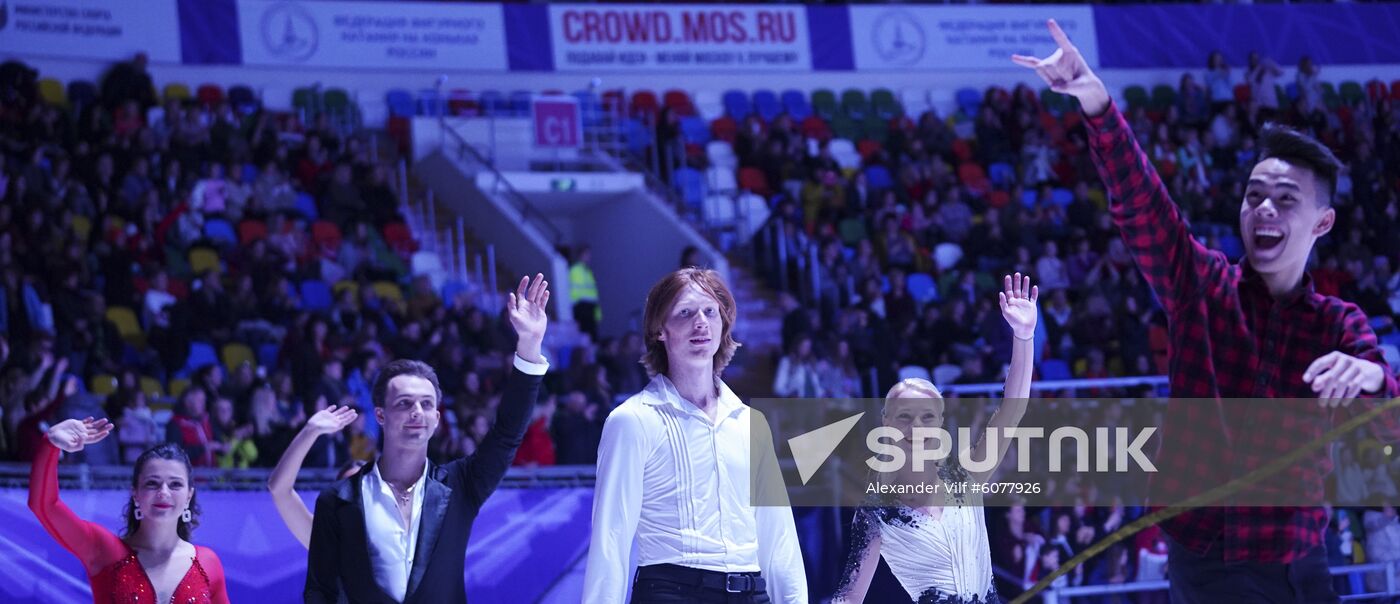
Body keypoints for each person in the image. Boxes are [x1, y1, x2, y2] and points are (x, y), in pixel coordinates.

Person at [1013, 20, 1400, 603]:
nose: (1263, 209)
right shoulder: (1201, 284)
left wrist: (1375, 378)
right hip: (1205, 564)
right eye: (1254, 195)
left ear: (1322, 223)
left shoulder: (1339, 326)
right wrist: (1097, 107)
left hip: (1299, 564)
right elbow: (1142, 206)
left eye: (1286, 200)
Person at [305, 274, 549, 604]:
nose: (417, 412)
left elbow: (507, 434)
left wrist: (529, 346)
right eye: (404, 403)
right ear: (380, 415)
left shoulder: (462, 485)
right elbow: (320, 593)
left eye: (426, 404)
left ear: (436, 419)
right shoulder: (337, 499)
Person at [584, 267, 806, 603]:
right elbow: (610, 540)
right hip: (673, 592)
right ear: (660, 330)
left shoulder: (751, 423)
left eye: (710, 312)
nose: (700, 322)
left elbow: (779, 539)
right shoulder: (632, 421)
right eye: (685, 313)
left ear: (723, 324)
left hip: (752, 593)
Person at [831, 274, 1038, 604]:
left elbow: (1011, 412)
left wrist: (1024, 337)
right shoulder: (876, 512)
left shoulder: (966, 476)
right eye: (905, 417)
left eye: (927, 417)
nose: (917, 428)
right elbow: (848, 599)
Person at [29, 417, 230, 603]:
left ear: (189, 495)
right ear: (135, 492)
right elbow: (45, 505)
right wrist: (50, 444)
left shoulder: (207, 562)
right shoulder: (104, 550)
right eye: (152, 483)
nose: (163, 492)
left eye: (175, 484)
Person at [268, 404, 359, 548]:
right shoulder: (326, 538)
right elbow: (279, 490)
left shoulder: (395, 539)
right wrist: (310, 431)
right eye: (347, 485)